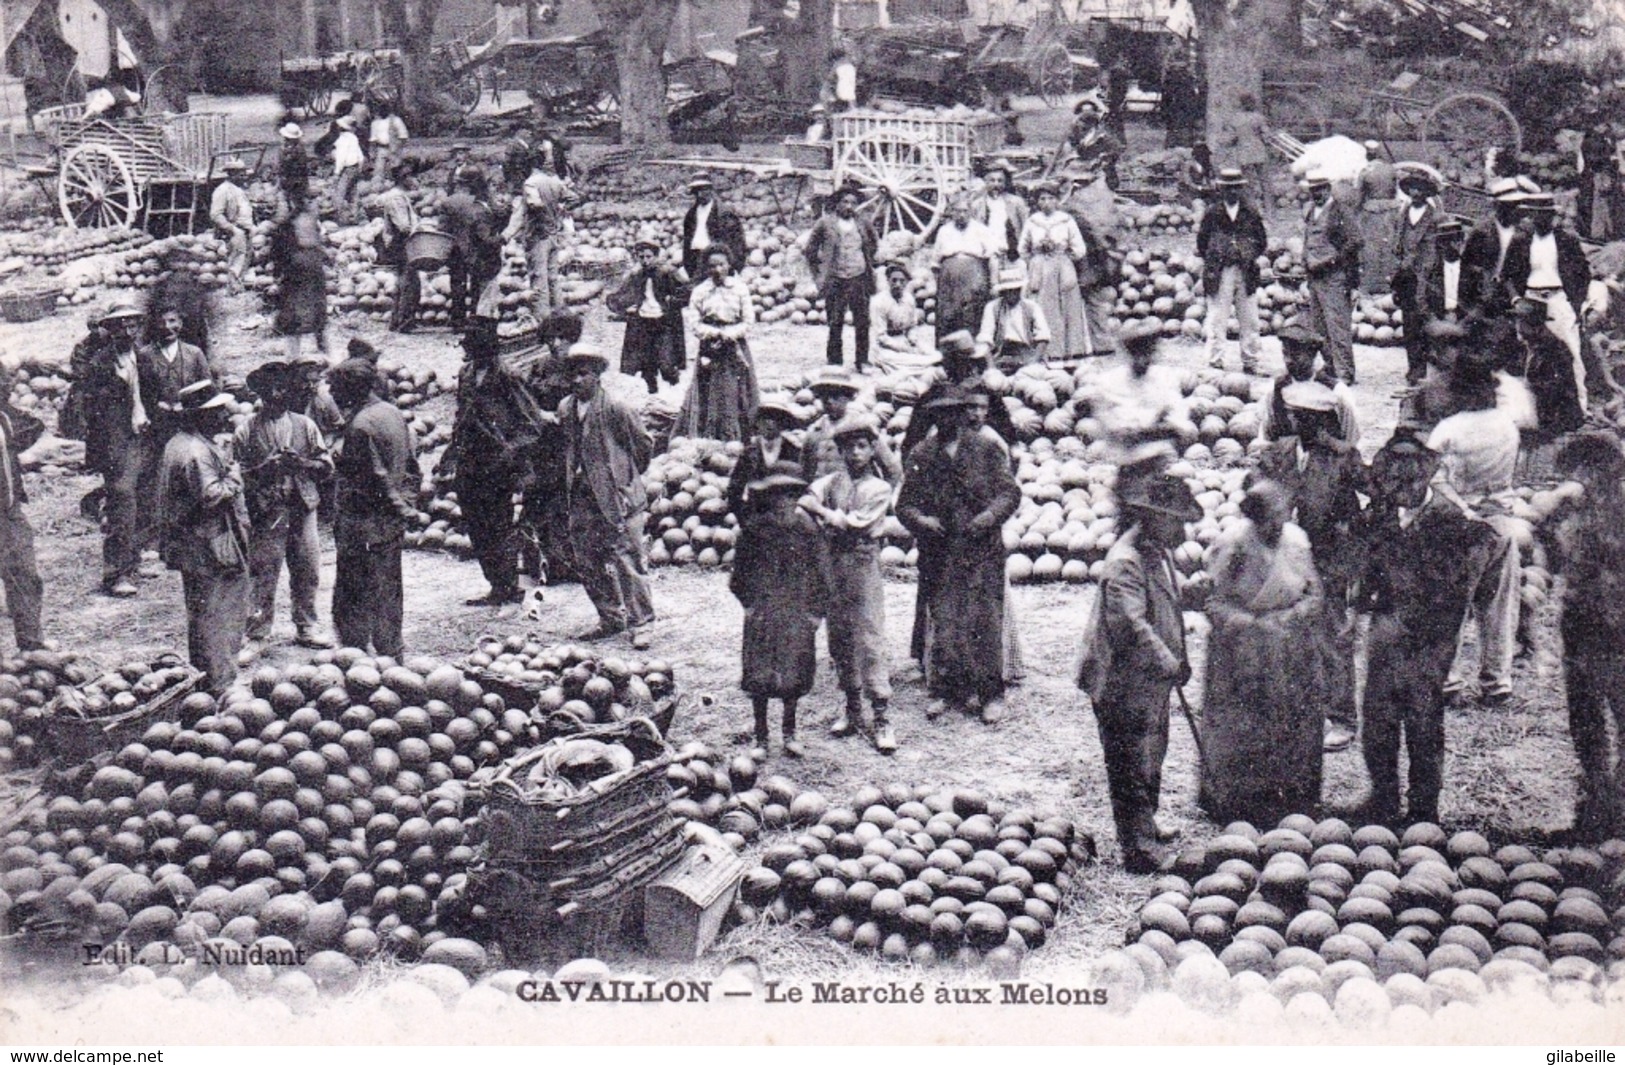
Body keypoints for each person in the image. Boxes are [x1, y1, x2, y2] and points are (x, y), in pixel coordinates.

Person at [1354, 431, 1504, 824]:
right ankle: (1383, 798)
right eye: (1393, 483)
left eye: (1408, 483)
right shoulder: (1382, 511)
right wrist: (1363, 606)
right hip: (1387, 628)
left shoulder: (1448, 518)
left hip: (1429, 636)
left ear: (1424, 479)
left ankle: (1424, 807)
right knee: (1378, 718)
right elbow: (1370, 563)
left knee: (1422, 719)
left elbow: (1466, 579)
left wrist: (1440, 631)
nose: (1400, 490)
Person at [1076, 473, 1199, 873]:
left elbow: (1167, 607)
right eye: (1175, 520)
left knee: (1151, 753)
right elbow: (1132, 627)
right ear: (1151, 518)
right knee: (1129, 762)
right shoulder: (1125, 561)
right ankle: (1138, 848)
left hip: (1150, 681)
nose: (1182, 529)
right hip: (1121, 681)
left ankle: (1147, 824)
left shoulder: (1157, 552)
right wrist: (1169, 661)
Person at [1200, 481, 1333, 824]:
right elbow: (1212, 600)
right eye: (1269, 519)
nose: (1277, 524)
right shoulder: (1231, 544)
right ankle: (1237, 803)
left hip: (1290, 644)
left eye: (1281, 515)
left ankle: (1295, 798)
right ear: (1254, 519)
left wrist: (1288, 618)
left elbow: (1314, 593)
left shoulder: (1297, 540)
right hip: (1241, 648)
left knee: (1296, 722)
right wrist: (1250, 625)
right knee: (1243, 724)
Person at [1254, 325, 1362, 751]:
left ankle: (1341, 715)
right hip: (1291, 537)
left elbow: (1354, 442)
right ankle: (1301, 708)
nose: (1290, 360)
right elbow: (1265, 437)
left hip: (1331, 537)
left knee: (1332, 624)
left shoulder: (1338, 397)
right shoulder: (1278, 396)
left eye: (1297, 354)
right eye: (1285, 352)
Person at [897, 386, 1022, 725]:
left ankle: (990, 693)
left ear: (963, 413)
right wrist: (923, 520)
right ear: (933, 417)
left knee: (984, 620)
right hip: (940, 552)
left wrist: (989, 517)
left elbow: (1009, 493)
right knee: (946, 621)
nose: (948, 419)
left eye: (954, 411)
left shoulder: (985, 448)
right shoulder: (922, 454)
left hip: (981, 549)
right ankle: (946, 690)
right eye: (940, 413)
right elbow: (904, 505)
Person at [1426, 348, 1533, 709]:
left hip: (1460, 524)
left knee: (1448, 606)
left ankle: (1448, 681)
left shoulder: (1449, 430)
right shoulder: (1506, 425)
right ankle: (1497, 682)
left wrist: (1460, 506)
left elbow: (1432, 480)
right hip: (1501, 520)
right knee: (1500, 606)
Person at [1539, 433, 1625, 837]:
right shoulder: (1572, 509)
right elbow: (1557, 559)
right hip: (1582, 622)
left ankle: (1612, 804)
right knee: (1586, 715)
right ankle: (1597, 800)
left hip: (1613, 624)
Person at [803, 415, 895, 753]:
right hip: (833, 564)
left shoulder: (879, 488)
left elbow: (855, 524)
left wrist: (826, 515)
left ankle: (881, 714)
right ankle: (853, 707)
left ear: (872, 450)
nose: (856, 453)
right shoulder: (832, 482)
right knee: (839, 636)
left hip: (862, 564)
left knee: (868, 637)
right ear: (840, 451)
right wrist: (825, 514)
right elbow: (805, 500)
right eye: (849, 447)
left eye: (862, 446)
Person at [156, 380, 251, 697]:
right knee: (218, 612)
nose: (224, 417)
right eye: (216, 412)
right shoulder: (196, 452)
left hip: (193, 542)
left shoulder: (179, 442)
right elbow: (212, 496)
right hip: (209, 543)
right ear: (199, 416)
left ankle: (207, 677)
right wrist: (235, 476)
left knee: (201, 612)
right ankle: (220, 682)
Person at [558, 343, 656, 649]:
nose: (576, 380)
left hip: (618, 497)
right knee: (586, 558)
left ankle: (642, 622)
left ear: (598, 375)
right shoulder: (565, 408)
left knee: (627, 558)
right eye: (572, 374)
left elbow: (643, 445)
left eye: (583, 374)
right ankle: (610, 617)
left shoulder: (615, 407)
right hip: (583, 497)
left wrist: (624, 478)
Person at [235, 361, 333, 663]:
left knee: (307, 568)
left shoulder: (305, 425)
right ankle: (257, 635)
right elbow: (236, 477)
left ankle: (307, 625)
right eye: (273, 389)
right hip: (267, 512)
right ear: (262, 393)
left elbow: (326, 467)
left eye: (284, 388)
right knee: (263, 573)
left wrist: (301, 464)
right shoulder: (246, 430)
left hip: (302, 508)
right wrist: (266, 469)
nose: (279, 394)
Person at [448, 318, 549, 608]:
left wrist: (510, 451)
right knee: (476, 524)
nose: (467, 352)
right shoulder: (466, 373)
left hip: (498, 464)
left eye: (472, 346)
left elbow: (531, 423)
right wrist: (452, 452)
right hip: (470, 461)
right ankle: (496, 584)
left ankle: (508, 585)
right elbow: (461, 416)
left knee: (498, 524)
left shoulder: (508, 375)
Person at [730, 464, 826, 760]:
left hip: (796, 612)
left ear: (798, 497)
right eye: (778, 496)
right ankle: (761, 736)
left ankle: (789, 731)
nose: (784, 502)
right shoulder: (754, 530)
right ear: (768, 498)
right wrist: (749, 605)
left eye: (790, 495)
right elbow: (740, 575)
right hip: (765, 611)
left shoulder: (809, 530)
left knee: (794, 674)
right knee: (759, 674)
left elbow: (822, 574)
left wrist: (815, 613)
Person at [330, 358, 422, 657]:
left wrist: (401, 508)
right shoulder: (392, 412)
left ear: (350, 388)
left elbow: (373, 480)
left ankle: (356, 657)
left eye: (335, 387)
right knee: (388, 590)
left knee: (354, 597)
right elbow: (410, 466)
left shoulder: (361, 426)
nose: (331, 393)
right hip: (387, 525)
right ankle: (392, 653)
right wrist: (406, 506)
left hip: (363, 526)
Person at [72, 302, 158, 597]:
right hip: (116, 445)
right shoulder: (100, 364)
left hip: (143, 439)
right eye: (120, 326)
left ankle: (134, 562)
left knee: (143, 501)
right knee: (122, 504)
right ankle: (116, 573)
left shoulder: (144, 359)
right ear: (110, 330)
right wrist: (103, 454)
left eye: (132, 325)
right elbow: (93, 413)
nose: (127, 331)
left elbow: (153, 396)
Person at [1503, 192, 1617, 413]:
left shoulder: (1567, 240)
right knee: (1530, 353)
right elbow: (1507, 275)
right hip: (1531, 299)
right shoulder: (1521, 241)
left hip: (1558, 298)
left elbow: (1583, 274)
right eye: (1537, 214)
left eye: (1547, 214)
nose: (1541, 219)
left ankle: (1580, 408)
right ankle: (1530, 410)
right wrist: (1516, 299)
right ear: (1531, 215)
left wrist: (1575, 304)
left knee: (1572, 351)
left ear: (1553, 216)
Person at [1086, 322, 1196, 497]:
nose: (1143, 358)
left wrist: (1143, 430)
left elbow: (1184, 429)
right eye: (1137, 352)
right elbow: (1116, 432)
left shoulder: (1166, 379)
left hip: (1162, 466)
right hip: (1129, 471)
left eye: (1148, 351)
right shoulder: (1108, 383)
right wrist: (1159, 427)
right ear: (1127, 353)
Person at [679, 249, 760, 442]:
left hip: (735, 345)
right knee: (709, 388)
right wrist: (714, 333)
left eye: (721, 264)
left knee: (737, 388)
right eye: (712, 265)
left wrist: (729, 334)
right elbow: (693, 322)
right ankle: (709, 434)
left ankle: (739, 435)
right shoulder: (700, 291)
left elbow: (749, 320)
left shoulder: (740, 289)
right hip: (710, 347)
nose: (717, 269)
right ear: (706, 268)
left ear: (729, 265)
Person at [1196, 168, 1267, 373]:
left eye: (1236, 188)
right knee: (1217, 318)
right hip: (1220, 271)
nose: (1232, 192)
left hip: (1245, 271)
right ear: (1221, 189)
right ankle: (1215, 361)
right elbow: (1202, 241)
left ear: (1241, 189)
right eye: (1228, 188)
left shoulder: (1250, 211)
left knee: (1250, 319)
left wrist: (1246, 252)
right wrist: (1217, 255)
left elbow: (1261, 241)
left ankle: (1251, 361)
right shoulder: (1212, 212)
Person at [800, 186, 879, 369]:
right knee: (835, 322)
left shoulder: (863, 223)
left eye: (853, 203)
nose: (849, 206)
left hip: (858, 277)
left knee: (862, 321)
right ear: (837, 204)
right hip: (835, 279)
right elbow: (810, 250)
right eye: (845, 202)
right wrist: (818, 275)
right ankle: (835, 361)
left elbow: (874, 243)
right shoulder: (825, 223)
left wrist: (865, 262)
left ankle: (862, 360)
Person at [1300, 174, 1362, 385]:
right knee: (1319, 327)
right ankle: (1331, 367)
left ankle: (1345, 372)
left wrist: (1331, 260)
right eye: (1313, 191)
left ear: (1328, 189)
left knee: (1338, 326)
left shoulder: (1340, 211)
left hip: (1335, 277)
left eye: (1320, 190)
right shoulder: (1309, 211)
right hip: (1314, 277)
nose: (1316, 194)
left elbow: (1355, 241)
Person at [0, 372, 46, 652]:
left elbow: (34, 428)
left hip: (8, 511)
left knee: (25, 575)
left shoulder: (4, 418)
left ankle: (31, 647)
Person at [1018, 184, 1090, 360]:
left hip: (1062, 268)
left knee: (1066, 307)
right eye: (1042, 199)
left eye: (1051, 198)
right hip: (1039, 270)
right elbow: (1022, 248)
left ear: (1057, 200)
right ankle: (1043, 352)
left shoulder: (1066, 220)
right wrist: (1035, 260)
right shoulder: (1032, 221)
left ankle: (1068, 350)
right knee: (1040, 307)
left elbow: (1079, 248)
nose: (1047, 203)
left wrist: (1063, 259)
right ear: (1037, 201)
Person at [607, 239, 688, 393]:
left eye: (649, 256)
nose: (645, 260)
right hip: (643, 322)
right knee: (646, 364)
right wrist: (625, 308)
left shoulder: (668, 272)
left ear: (656, 256)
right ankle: (652, 393)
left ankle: (674, 387)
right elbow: (618, 296)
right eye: (641, 257)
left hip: (663, 322)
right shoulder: (636, 275)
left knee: (666, 363)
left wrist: (672, 301)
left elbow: (687, 291)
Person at [503, 149, 574, 321]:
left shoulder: (530, 183)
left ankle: (543, 320)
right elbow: (572, 198)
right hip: (554, 235)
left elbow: (535, 204)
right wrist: (558, 213)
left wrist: (540, 223)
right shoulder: (554, 181)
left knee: (539, 279)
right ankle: (561, 314)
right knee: (553, 277)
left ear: (530, 164)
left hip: (538, 236)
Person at [803, 368, 902, 483]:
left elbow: (893, 469)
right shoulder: (814, 432)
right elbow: (805, 471)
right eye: (824, 395)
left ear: (848, 397)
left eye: (835, 395)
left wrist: (881, 495)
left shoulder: (862, 428)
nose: (829, 401)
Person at [1509, 296, 1585, 445]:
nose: (1516, 326)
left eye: (1520, 322)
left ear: (1536, 326)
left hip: (1555, 419)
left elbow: (1553, 392)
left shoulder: (1553, 349)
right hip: (1539, 412)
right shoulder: (1529, 346)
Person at [1392, 169, 1442, 387]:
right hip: (1406, 277)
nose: (1415, 192)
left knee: (1425, 321)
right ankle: (1414, 367)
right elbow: (1397, 245)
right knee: (1409, 324)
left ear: (1427, 192)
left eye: (1420, 188)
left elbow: (1436, 249)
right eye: (1412, 187)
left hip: (1427, 276)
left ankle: (1427, 368)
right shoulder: (1403, 213)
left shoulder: (1436, 217)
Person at [441, 166, 504, 330]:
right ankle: (476, 319)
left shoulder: (448, 202)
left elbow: (442, 227)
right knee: (477, 284)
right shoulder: (479, 203)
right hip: (475, 248)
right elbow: (496, 217)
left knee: (457, 284)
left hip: (454, 247)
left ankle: (457, 320)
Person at [1459, 177, 1529, 318]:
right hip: (1481, 294)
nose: (1512, 209)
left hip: (1511, 295)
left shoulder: (1523, 232)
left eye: (1516, 204)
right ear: (1498, 205)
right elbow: (1467, 263)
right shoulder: (1482, 230)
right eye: (1508, 205)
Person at [932, 198, 998, 343]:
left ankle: (973, 354)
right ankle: (948, 356)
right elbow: (935, 263)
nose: (961, 215)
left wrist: (994, 283)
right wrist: (936, 286)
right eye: (957, 211)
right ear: (951, 213)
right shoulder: (944, 231)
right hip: (948, 279)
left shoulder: (981, 230)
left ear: (971, 212)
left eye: (965, 211)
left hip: (974, 276)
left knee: (972, 313)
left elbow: (992, 257)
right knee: (948, 314)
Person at [726, 398, 804, 520]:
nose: (770, 423)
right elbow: (735, 487)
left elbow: (799, 487)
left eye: (775, 418)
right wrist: (743, 516)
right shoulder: (749, 452)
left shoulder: (792, 450)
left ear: (783, 423)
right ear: (758, 422)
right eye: (766, 418)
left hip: (783, 515)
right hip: (754, 514)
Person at [271, 193, 329, 359]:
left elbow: (279, 253)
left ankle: (302, 355)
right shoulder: (294, 222)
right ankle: (298, 356)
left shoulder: (296, 222)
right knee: (304, 315)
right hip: (302, 270)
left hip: (304, 270)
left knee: (304, 315)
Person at [975, 268, 1050, 371]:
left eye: (1015, 290)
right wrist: (992, 368)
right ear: (1003, 292)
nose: (1012, 293)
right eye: (1008, 291)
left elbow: (1043, 338)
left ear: (1020, 289)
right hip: (1001, 357)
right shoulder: (992, 307)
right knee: (994, 383)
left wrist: (1033, 363)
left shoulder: (1032, 307)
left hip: (1027, 355)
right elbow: (984, 339)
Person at [377, 163, 422, 334]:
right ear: (402, 179)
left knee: (406, 281)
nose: (413, 180)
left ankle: (398, 320)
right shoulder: (395, 198)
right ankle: (403, 321)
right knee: (409, 282)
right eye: (410, 176)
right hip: (401, 242)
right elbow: (403, 226)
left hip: (402, 242)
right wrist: (418, 228)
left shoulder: (400, 195)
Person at [869, 263, 936, 374]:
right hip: (885, 347)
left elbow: (912, 326)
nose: (898, 284)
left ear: (906, 283)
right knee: (917, 364)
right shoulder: (879, 301)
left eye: (902, 281)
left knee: (933, 355)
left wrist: (912, 340)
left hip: (904, 341)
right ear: (888, 281)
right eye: (894, 280)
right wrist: (903, 348)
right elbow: (881, 336)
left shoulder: (909, 299)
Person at [680, 176, 746, 282]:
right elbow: (687, 241)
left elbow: (737, 241)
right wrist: (688, 264)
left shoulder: (724, 213)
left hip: (715, 259)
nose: (700, 194)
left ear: (710, 190)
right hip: (696, 259)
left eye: (703, 190)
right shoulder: (691, 214)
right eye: (697, 191)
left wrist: (734, 265)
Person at [1218, 93, 1270, 211]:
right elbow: (1267, 136)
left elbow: (1231, 139)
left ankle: (1253, 209)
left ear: (1240, 104)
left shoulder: (1235, 119)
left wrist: (1223, 142)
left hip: (1244, 153)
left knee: (1248, 184)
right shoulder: (1258, 117)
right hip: (1259, 151)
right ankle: (1270, 210)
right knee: (1265, 182)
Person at [973, 160, 1029, 269]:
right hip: (986, 254)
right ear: (986, 182)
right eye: (992, 181)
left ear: (1005, 183)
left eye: (1000, 181)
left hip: (1011, 252)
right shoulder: (977, 205)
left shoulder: (1016, 202)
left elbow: (1025, 228)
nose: (996, 184)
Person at [209, 160, 254, 291]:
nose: (244, 176)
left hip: (245, 230)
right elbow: (216, 214)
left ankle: (238, 287)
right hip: (233, 231)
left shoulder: (240, 190)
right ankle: (233, 290)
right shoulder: (222, 190)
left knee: (244, 260)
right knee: (235, 261)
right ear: (231, 174)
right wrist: (232, 229)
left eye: (244, 173)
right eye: (241, 174)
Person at [1576, 117, 1620, 243]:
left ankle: (1604, 232)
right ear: (1596, 126)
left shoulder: (1600, 139)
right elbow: (1592, 159)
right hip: (1597, 176)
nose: (1605, 128)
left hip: (1600, 175)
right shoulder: (1592, 141)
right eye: (1603, 126)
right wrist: (1609, 159)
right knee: (1599, 204)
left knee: (1603, 204)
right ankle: (1599, 233)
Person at [329, 112, 366, 223]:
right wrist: (360, 168)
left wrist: (336, 173)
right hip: (355, 167)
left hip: (347, 169)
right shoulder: (353, 138)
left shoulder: (342, 140)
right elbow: (361, 156)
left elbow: (341, 158)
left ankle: (340, 218)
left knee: (340, 192)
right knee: (353, 193)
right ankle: (355, 216)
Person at [368, 98, 410, 186]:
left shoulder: (396, 120)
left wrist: (398, 148)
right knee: (379, 170)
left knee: (396, 170)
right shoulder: (375, 123)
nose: (382, 111)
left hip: (394, 148)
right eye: (380, 109)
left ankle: (399, 186)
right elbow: (373, 139)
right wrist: (372, 152)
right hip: (381, 148)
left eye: (384, 109)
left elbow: (403, 136)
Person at [277, 124, 311, 213]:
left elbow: (286, 163)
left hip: (294, 178)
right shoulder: (295, 147)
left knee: (295, 199)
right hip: (296, 178)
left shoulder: (296, 150)